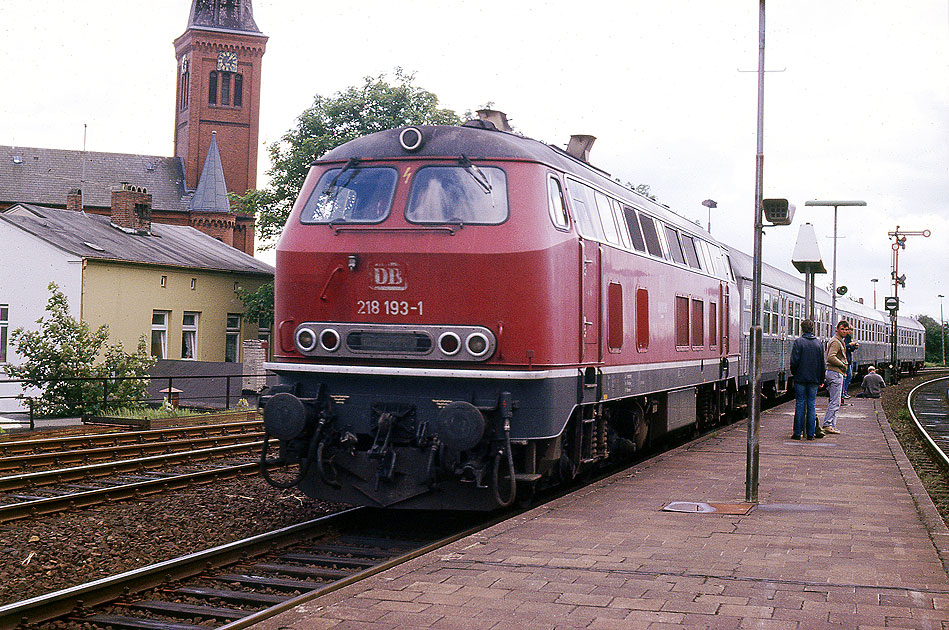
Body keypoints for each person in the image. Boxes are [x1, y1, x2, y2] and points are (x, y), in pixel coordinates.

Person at [789, 318, 825, 440]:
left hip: (800, 378)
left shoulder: (798, 342)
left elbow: (794, 361)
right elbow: (822, 364)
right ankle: (810, 434)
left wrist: (795, 373)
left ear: (802, 328)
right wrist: (821, 379)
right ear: (813, 329)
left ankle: (797, 433)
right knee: (811, 404)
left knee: (799, 404)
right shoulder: (818, 343)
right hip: (814, 379)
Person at [822, 320, 850, 435]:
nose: (844, 331)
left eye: (846, 329)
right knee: (835, 401)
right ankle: (828, 424)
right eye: (842, 329)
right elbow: (830, 357)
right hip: (835, 373)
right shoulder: (835, 342)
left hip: (836, 373)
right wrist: (842, 364)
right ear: (837, 329)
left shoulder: (839, 341)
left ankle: (832, 425)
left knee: (836, 401)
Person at [841, 330, 859, 400]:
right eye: (849, 330)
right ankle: (843, 393)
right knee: (846, 377)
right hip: (846, 361)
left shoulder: (848, 338)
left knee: (848, 377)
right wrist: (850, 345)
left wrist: (854, 347)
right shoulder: (844, 339)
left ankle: (844, 392)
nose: (851, 331)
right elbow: (844, 347)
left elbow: (849, 349)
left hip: (848, 360)